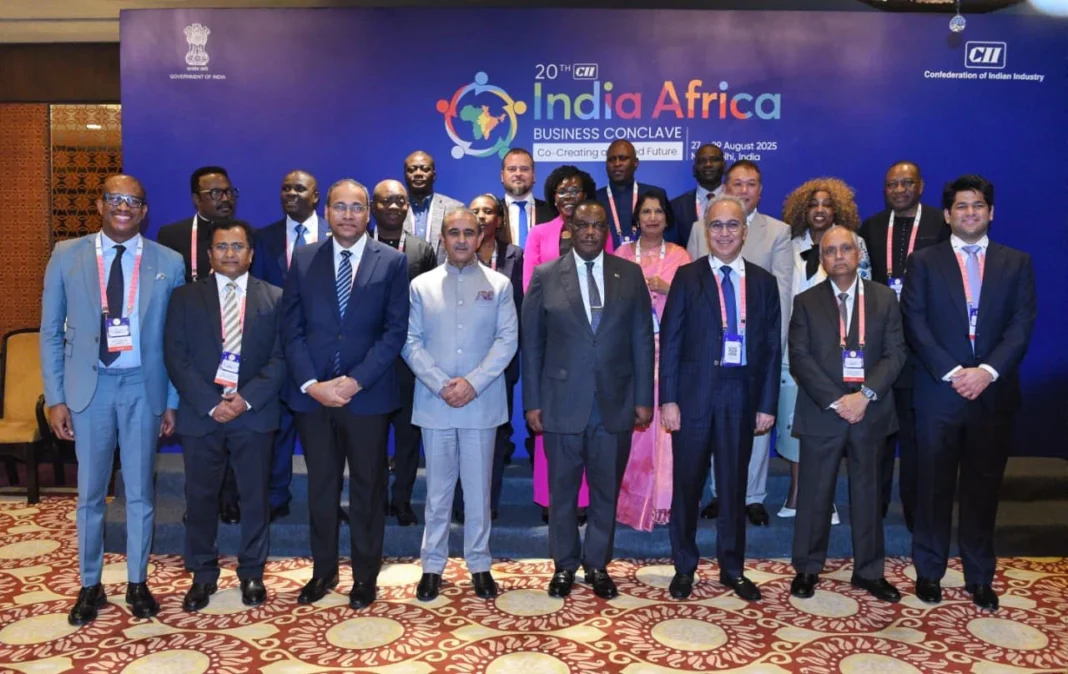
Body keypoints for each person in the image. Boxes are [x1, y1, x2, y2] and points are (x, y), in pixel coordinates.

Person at [41, 174, 184, 625]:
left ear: (144, 211)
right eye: (115, 199)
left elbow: (176, 339)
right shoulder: (67, 255)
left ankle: (138, 582)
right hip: (91, 387)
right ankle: (90, 585)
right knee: (89, 493)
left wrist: (172, 400)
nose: (124, 207)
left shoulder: (170, 262)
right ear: (100, 205)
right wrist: (55, 397)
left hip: (144, 386)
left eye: (133, 201)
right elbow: (50, 331)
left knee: (140, 491)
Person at [902, 175, 1036, 611]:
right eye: (961, 206)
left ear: (991, 212)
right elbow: (915, 321)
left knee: (983, 489)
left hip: (993, 394)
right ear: (947, 215)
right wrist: (955, 371)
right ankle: (929, 571)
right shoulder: (924, 261)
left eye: (978, 205)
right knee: (933, 488)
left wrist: (987, 372)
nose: (970, 213)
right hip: (939, 393)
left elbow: (1021, 325)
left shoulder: (1016, 262)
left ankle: (979, 576)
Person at [280, 178, 409, 610]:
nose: (348, 215)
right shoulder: (304, 258)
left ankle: (365, 576)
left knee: (369, 489)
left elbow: (394, 332)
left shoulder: (392, 261)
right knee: (321, 487)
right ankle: (323, 571)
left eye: (356, 207)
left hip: (366, 397)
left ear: (368, 212)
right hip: (313, 398)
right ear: (327, 212)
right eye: (340, 207)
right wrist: (312, 384)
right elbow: (291, 329)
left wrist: (356, 381)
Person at [523, 200, 654, 600]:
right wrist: (532, 402)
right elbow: (533, 345)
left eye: (598, 225)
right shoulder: (546, 275)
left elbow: (642, 340)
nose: (591, 232)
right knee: (562, 493)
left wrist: (644, 397)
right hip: (561, 402)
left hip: (615, 403)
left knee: (605, 491)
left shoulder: (629, 274)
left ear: (606, 231)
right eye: (583, 225)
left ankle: (597, 564)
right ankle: (564, 565)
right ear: (570, 229)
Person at [659, 195, 781, 602]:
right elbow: (671, 342)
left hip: (740, 396)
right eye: (716, 225)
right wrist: (668, 400)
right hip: (692, 398)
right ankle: (684, 567)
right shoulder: (687, 276)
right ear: (705, 231)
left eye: (732, 225)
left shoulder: (763, 282)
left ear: (744, 231)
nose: (724, 232)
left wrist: (767, 404)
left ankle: (732, 569)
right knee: (688, 486)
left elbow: (771, 348)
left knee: (732, 487)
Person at [164, 220, 285, 611]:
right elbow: (176, 355)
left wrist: (243, 400)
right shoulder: (184, 297)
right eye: (221, 246)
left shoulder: (275, 298)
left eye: (237, 246)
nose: (229, 253)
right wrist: (210, 403)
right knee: (199, 497)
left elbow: (281, 358)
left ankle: (252, 571)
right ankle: (202, 574)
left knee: (255, 497)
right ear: (209, 254)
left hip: (253, 414)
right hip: (202, 415)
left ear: (251, 253)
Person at [404, 208, 518, 601]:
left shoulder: (499, 285)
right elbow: (410, 342)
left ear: (481, 237)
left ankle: (480, 564)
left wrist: (472, 383)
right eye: (454, 232)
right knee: (437, 493)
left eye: (469, 232)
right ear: (442, 237)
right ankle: (432, 566)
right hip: (434, 403)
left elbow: (507, 340)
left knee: (478, 492)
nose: (462, 240)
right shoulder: (421, 286)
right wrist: (441, 384)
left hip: (481, 403)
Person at [788, 226, 906, 603]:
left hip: (870, 412)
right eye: (830, 251)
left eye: (845, 249)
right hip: (823, 411)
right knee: (814, 494)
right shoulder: (806, 302)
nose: (838, 256)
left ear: (858, 254)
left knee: (869, 494)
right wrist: (838, 400)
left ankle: (869, 571)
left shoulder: (884, 298)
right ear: (822, 259)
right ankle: (807, 568)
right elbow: (800, 358)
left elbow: (896, 353)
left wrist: (865, 395)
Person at [686, 161, 792, 526]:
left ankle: (753, 495)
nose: (744, 190)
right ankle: (720, 492)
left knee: (756, 426)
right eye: (737, 183)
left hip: (753, 350)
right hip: (710, 350)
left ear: (760, 190)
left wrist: (770, 352)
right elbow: (692, 286)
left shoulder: (778, 231)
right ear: (725, 188)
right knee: (715, 421)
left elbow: (782, 295)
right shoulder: (701, 228)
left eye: (751, 184)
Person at [859, 161, 950, 530]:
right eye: (892, 184)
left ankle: (915, 510)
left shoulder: (940, 224)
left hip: (922, 349)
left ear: (921, 186)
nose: (899, 189)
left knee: (915, 438)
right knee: (877, 436)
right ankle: (874, 508)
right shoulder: (871, 227)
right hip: (880, 348)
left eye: (906, 182)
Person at [777, 178, 873, 524]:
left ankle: (825, 498)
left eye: (827, 204)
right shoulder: (787, 245)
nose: (819, 210)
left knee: (829, 424)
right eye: (813, 204)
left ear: (838, 210)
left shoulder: (853, 244)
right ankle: (797, 493)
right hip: (794, 349)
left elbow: (864, 298)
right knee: (795, 423)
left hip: (838, 351)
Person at [523, 165, 613, 523]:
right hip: (551, 340)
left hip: (590, 340)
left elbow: (608, 282)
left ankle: (584, 499)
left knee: (589, 423)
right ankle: (551, 498)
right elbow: (530, 285)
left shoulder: (598, 231)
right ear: (553, 197)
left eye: (575, 190)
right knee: (552, 425)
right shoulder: (538, 233)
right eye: (562, 191)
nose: (569, 197)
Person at [157, 165, 242, 524]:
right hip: (192, 351)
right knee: (199, 432)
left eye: (229, 192)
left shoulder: (243, 237)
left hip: (235, 346)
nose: (225, 199)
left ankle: (230, 497)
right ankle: (200, 501)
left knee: (234, 428)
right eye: (215, 193)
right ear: (196, 198)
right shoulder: (173, 235)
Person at [250, 169, 331, 521]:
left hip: (323, 355)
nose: (291, 194)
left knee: (325, 439)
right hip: (276, 351)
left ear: (315, 196)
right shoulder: (262, 238)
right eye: (285, 188)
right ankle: (275, 497)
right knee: (278, 429)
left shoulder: (337, 234)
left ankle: (327, 503)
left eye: (300, 188)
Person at [613, 192, 691, 531]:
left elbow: (694, 302)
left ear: (667, 217)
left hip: (669, 353)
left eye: (659, 211)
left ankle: (663, 502)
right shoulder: (621, 255)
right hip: (629, 354)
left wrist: (667, 288)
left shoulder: (679, 255)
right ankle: (629, 502)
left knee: (664, 430)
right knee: (634, 430)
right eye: (646, 211)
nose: (653, 217)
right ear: (636, 218)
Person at [453, 194, 525, 523]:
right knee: (457, 436)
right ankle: (459, 502)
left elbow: (519, 309)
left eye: (488, 211)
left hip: (499, 363)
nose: (481, 216)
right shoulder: (455, 253)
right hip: (458, 360)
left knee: (494, 437)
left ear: (499, 219)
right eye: (475, 211)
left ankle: (486, 502)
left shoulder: (515, 256)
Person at [371, 179, 437, 526]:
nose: (394, 206)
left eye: (400, 201)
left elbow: (432, 305)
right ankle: (376, 499)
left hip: (410, 361)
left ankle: (401, 500)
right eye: (386, 201)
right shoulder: (361, 246)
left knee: (409, 437)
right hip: (370, 361)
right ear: (373, 207)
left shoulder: (422, 250)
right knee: (372, 437)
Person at [595, 139, 669, 248]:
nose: (617, 164)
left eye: (623, 158)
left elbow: (669, 236)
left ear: (636, 163)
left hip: (650, 258)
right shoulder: (595, 199)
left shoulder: (655, 195)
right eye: (611, 159)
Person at [403, 150, 463, 255]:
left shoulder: (455, 208)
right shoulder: (395, 209)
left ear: (434, 175)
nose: (418, 174)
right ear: (405, 175)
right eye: (412, 170)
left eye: (425, 169)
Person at [669, 143, 725, 247]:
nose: (708, 164)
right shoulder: (676, 206)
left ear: (724, 166)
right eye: (702, 161)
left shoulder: (738, 202)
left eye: (714, 160)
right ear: (694, 170)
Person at [500, 148, 556, 249]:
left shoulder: (553, 212)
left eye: (524, 169)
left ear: (533, 175)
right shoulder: (493, 213)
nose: (518, 174)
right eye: (512, 169)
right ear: (502, 176)